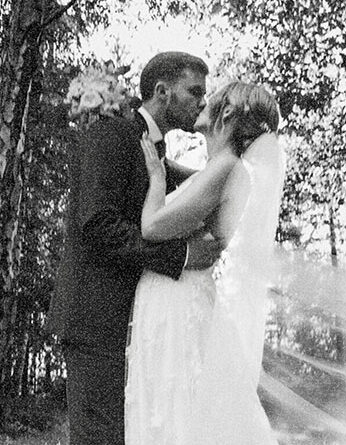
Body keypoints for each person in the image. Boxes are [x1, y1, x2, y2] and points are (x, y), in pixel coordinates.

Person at [45, 51, 222, 445]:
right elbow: (98, 224)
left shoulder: (152, 149)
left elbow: (192, 188)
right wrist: (181, 256)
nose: (201, 102)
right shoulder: (111, 135)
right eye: (194, 92)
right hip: (95, 317)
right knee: (100, 438)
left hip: (132, 319)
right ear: (162, 91)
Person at [125, 81, 284, 445]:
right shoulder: (219, 169)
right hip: (176, 294)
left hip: (178, 300)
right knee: (172, 409)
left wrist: (156, 178)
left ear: (225, 113)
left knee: (175, 412)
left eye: (209, 98)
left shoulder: (224, 168)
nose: (202, 102)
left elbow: (152, 227)